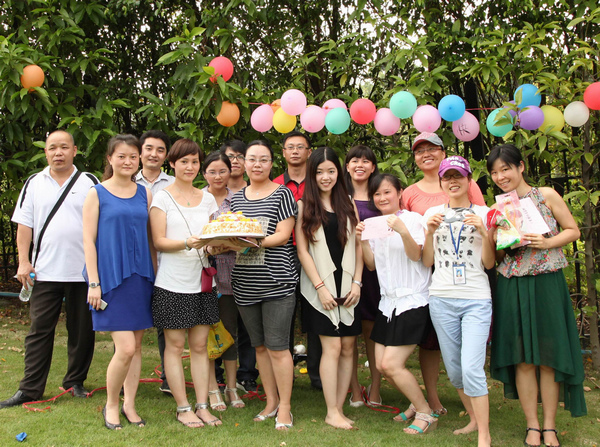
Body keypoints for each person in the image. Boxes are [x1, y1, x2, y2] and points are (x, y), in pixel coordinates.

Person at [487, 144, 586, 447]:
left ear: (520, 167)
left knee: (547, 357)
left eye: (505, 169)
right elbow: (496, 256)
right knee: (523, 359)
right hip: (513, 284)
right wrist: (493, 235)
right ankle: (532, 425)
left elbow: (573, 230)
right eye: (495, 172)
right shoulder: (499, 207)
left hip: (547, 282)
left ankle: (550, 427)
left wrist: (548, 243)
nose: (500, 177)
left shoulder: (546, 195)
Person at [0, 130, 97, 409]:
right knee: (39, 331)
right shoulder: (34, 182)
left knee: (82, 331)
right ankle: (29, 389)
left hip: (83, 271)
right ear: (45, 152)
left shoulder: (89, 182)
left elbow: (101, 224)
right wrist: (23, 261)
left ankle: (75, 382)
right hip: (43, 271)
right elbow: (24, 226)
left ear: (74, 150)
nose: (58, 152)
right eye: (52, 147)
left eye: (64, 147)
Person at [400, 131, 486, 417]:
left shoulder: (466, 186)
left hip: (469, 275)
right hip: (429, 276)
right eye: (419, 150)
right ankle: (433, 399)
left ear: (443, 152)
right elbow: (407, 234)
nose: (426, 154)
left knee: (463, 348)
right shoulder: (410, 193)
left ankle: (473, 404)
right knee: (431, 342)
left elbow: (484, 223)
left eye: (432, 148)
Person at [149, 139, 223, 428]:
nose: (190, 167)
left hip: (202, 282)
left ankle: (202, 406)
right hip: (172, 283)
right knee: (175, 346)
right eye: (184, 162)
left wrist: (214, 246)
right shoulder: (162, 198)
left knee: (201, 346)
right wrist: (186, 243)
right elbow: (159, 241)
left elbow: (212, 237)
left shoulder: (207, 199)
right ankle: (183, 408)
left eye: (194, 162)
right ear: (172, 164)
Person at [83, 134, 155, 429]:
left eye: (133, 156)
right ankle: (111, 404)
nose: (128, 161)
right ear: (110, 159)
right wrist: (94, 283)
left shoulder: (145, 194)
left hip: (141, 277)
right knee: (125, 348)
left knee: (135, 347)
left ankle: (130, 404)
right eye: (121, 156)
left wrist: (155, 275)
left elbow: (150, 239)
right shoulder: (96, 193)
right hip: (110, 279)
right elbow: (88, 240)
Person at [422, 156, 493, 446]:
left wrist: (484, 231)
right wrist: (429, 231)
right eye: (447, 177)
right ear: (441, 183)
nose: (453, 181)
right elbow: (427, 261)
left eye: (458, 176)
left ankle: (484, 434)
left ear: (469, 180)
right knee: (454, 369)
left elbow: (490, 263)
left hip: (476, 298)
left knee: (472, 367)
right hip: (441, 298)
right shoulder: (432, 213)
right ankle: (473, 420)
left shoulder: (485, 213)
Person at [357, 174, 436, 435]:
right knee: (381, 365)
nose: (382, 198)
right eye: (377, 194)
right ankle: (416, 403)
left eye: (387, 192)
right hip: (387, 303)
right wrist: (363, 240)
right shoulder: (374, 224)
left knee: (391, 364)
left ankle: (425, 412)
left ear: (400, 192)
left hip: (413, 300)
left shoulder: (414, 220)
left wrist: (402, 230)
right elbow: (371, 265)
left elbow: (417, 256)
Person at [231, 140, 298, 430]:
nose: (257, 165)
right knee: (259, 348)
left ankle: (286, 407)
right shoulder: (236, 199)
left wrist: (251, 242)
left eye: (263, 159)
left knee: (278, 348)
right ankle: (271, 402)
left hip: (277, 282)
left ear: (272, 163)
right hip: (245, 282)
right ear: (243, 163)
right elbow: (232, 236)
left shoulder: (283, 194)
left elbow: (283, 234)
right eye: (252, 159)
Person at [296, 147, 362, 430]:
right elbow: (303, 251)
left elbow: (358, 245)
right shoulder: (304, 206)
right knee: (332, 347)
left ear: (339, 173)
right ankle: (331, 411)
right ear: (312, 175)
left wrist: (357, 282)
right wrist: (320, 288)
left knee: (348, 347)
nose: (326, 177)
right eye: (320, 172)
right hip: (319, 286)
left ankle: (339, 407)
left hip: (348, 284)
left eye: (331, 171)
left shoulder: (349, 203)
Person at [273, 131, 322, 391]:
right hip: (284, 252)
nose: (295, 151)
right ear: (283, 153)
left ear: (309, 152)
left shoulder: (320, 181)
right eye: (290, 147)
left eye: (300, 147)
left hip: (316, 252)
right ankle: (285, 374)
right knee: (284, 313)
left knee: (315, 310)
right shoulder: (274, 184)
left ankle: (318, 374)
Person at [202, 151, 245, 410]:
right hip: (202, 277)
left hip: (232, 276)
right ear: (204, 174)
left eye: (222, 171)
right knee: (204, 335)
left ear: (230, 172)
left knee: (230, 332)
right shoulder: (197, 199)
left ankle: (231, 387)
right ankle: (211, 389)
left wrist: (230, 243)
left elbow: (248, 236)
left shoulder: (240, 200)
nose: (218, 176)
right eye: (212, 172)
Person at [135, 130, 174, 395]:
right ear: (140, 152)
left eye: (160, 150)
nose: (153, 154)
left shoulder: (174, 183)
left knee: (167, 324)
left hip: (167, 261)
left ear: (166, 155)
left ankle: (169, 378)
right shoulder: (125, 180)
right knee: (130, 322)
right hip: (135, 262)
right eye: (149, 148)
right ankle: (125, 378)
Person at [218, 140, 259, 394]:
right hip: (217, 272)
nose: (235, 161)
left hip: (248, 267)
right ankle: (218, 376)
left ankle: (247, 375)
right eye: (230, 156)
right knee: (221, 326)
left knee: (248, 328)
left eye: (240, 156)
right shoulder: (209, 194)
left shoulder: (253, 192)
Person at [344, 144, 383, 407]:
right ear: (347, 166)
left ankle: (376, 388)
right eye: (355, 160)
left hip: (375, 271)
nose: (360, 165)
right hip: (346, 269)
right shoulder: (339, 193)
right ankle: (355, 390)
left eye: (366, 161)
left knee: (372, 330)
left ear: (373, 167)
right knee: (348, 334)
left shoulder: (380, 194)